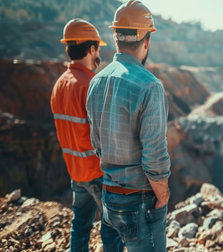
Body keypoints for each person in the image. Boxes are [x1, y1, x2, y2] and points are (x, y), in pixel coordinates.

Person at [85, 1, 171, 251]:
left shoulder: (96, 81)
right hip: (139, 203)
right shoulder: (150, 86)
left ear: (115, 38)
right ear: (146, 41)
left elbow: (97, 144)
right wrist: (163, 195)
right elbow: (154, 156)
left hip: (109, 199)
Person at [50, 18, 122, 252]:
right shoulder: (90, 84)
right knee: (112, 228)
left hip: (76, 171)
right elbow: (106, 134)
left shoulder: (59, 84)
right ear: (91, 49)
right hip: (96, 172)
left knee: (80, 224)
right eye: (98, 49)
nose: (98, 53)